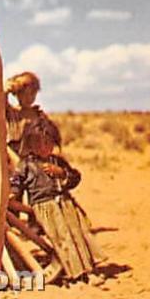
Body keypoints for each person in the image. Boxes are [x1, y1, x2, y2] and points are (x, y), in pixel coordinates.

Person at [9, 117, 105, 284]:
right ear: (30, 143)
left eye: (48, 143)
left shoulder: (57, 161)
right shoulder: (26, 165)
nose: (44, 148)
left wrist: (61, 173)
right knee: (62, 239)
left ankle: (89, 269)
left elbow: (75, 177)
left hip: (65, 204)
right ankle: (75, 273)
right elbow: (17, 182)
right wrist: (12, 194)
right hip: (45, 207)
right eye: (39, 144)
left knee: (77, 235)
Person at [5, 71, 48, 154]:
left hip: (33, 158)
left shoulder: (39, 116)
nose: (28, 98)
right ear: (16, 94)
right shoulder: (12, 112)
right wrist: (6, 91)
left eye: (32, 93)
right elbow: (1, 104)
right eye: (23, 93)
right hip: (13, 156)